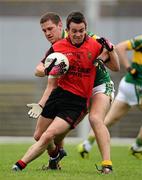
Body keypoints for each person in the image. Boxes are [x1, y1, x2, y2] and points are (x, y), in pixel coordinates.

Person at [12, 11, 118, 174]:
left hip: (99, 85)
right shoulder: (57, 50)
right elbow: (50, 82)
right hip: (75, 90)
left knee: (95, 118)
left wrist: (101, 58)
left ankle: (107, 165)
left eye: (50, 29)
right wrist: (41, 104)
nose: (47, 34)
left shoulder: (86, 36)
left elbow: (109, 53)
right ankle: (55, 158)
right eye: (44, 31)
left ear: (61, 26)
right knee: (47, 135)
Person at [78, 35, 142, 159]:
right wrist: (129, 68)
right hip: (136, 86)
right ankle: (137, 147)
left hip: (127, 85)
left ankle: (86, 145)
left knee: (109, 120)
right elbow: (120, 47)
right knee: (105, 119)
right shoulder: (140, 40)